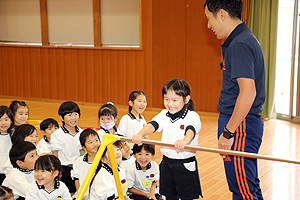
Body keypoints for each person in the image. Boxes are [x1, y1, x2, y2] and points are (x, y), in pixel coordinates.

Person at [204, 0, 265, 199]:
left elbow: (248, 93)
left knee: (243, 191)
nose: (208, 25)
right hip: (241, 124)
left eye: (209, 18)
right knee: (248, 187)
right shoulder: (241, 39)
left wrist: (228, 132)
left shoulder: (240, 43)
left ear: (222, 14)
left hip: (240, 125)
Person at [132, 79, 202, 200]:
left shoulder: (192, 116)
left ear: (186, 99)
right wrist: (141, 134)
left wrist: (185, 141)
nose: (170, 104)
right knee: (168, 196)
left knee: (187, 197)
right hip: (166, 164)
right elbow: (153, 125)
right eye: (166, 99)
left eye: (175, 100)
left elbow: (191, 130)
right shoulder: (164, 114)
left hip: (184, 165)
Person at [51, 101, 84, 193]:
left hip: (77, 167)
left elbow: (83, 151)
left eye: (76, 114)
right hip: (63, 168)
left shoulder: (81, 133)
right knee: (63, 192)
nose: (73, 118)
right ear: (61, 117)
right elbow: (55, 153)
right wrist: (57, 169)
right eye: (69, 115)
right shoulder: (57, 134)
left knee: (76, 191)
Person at [71, 128, 101, 200]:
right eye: (90, 142)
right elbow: (76, 179)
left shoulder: (105, 160)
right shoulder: (79, 161)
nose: (95, 144)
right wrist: (80, 195)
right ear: (83, 147)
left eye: (96, 140)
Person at [0, 106, 13, 184]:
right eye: (0, 120)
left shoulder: (14, 136)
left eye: (6, 119)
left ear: (11, 120)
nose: (3, 123)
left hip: (9, 172)